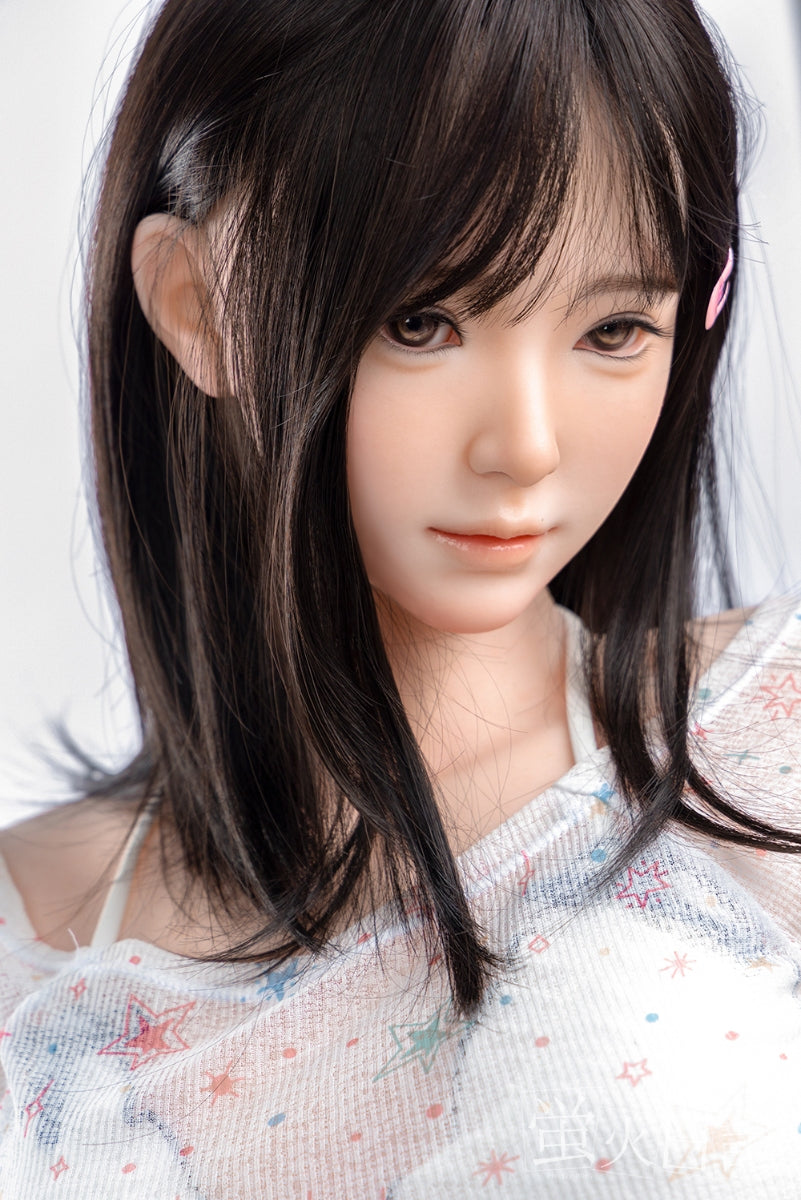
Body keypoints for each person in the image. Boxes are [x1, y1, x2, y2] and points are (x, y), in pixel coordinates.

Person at [0, 0, 799, 1195]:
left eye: (616, 330)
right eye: (422, 321)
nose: (526, 446)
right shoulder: (35, 940)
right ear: (194, 303)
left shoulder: (772, 738)